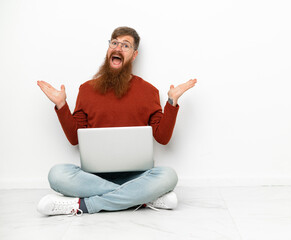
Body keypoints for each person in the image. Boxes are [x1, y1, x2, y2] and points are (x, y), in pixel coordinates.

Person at [36, 26, 197, 216]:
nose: (118, 48)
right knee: (57, 175)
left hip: (137, 176)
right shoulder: (87, 90)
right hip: (93, 177)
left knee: (168, 176)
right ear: (108, 49)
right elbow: (74, 138)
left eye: (126, 45)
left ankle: (83, 205)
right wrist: (62, 105)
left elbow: (162, 138)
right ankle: (144, 199)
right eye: (114, 43)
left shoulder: (149, 91)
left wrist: (171, 102)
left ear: (134, 55)